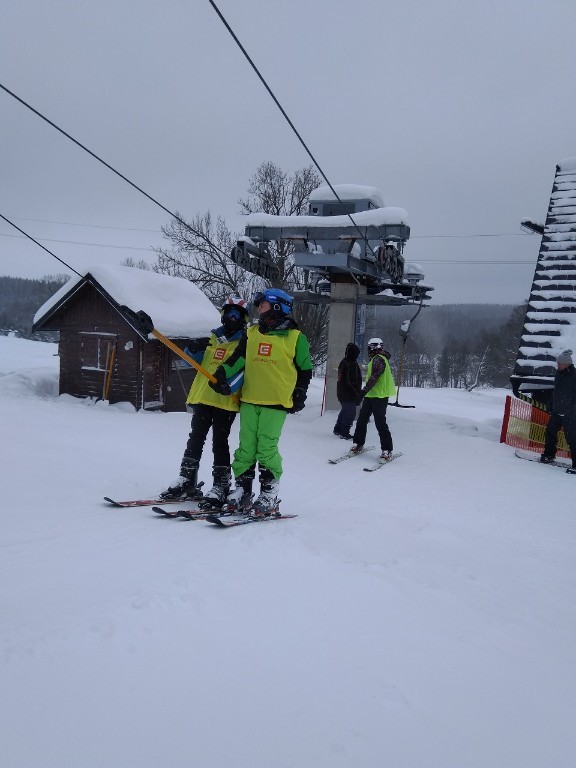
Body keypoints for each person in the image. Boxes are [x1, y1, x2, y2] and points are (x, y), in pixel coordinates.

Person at [209, 288, 313, 517]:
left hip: (275, 402)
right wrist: (221, 373)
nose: (258, 309)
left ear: (277, 306)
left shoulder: (296, 337)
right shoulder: (252, 333)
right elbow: (238, 359)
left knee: (266, 448)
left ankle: (269, 493)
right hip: (249, 399)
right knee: (246, 448)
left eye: (262, 305)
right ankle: (243, 491)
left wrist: (300, 392)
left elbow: (305, 369)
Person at [160, 296, 249, 504]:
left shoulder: (244, 343)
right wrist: (193, 349)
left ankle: (221, 485)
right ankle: (187, 479)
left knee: (220, 442)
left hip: (225, 400)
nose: (232, 318)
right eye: (229, 313)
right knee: (195, 438)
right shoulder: (213, 338)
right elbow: (191, 362)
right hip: (203, 397)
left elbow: (243, 371)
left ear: (243, 318)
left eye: (236, 315)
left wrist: (230, 386)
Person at [350, 337, 396, 460]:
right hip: (371, 395)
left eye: (369, 347)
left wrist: (362, 392)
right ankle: (358, 443)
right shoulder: (375, 358)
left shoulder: (379, 359)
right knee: (362, 420)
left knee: (380, 423)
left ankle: (387, 450)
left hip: (380, 396)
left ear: (372, 347)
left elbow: (374, 377)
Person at [540, 349, 576, 474]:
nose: (558, 365)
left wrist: (572, 408)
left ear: (567, 363)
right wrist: (551, 404)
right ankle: (548, 455)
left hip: (570, 413)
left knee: (572, 439)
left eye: (559, 363)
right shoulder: (559, 374)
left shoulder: (574, 376)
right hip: (557, 411)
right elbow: (556, 391)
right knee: (550, 433)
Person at [333, 342, 362, 440]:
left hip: (342, 392)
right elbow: (351, 381)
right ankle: (344, 432)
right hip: (349, 394)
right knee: (350, 413)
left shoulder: (344, 362)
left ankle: (338, 429)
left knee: (345, 410)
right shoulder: (350, 364)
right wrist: (358, 393)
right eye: (356, 354)